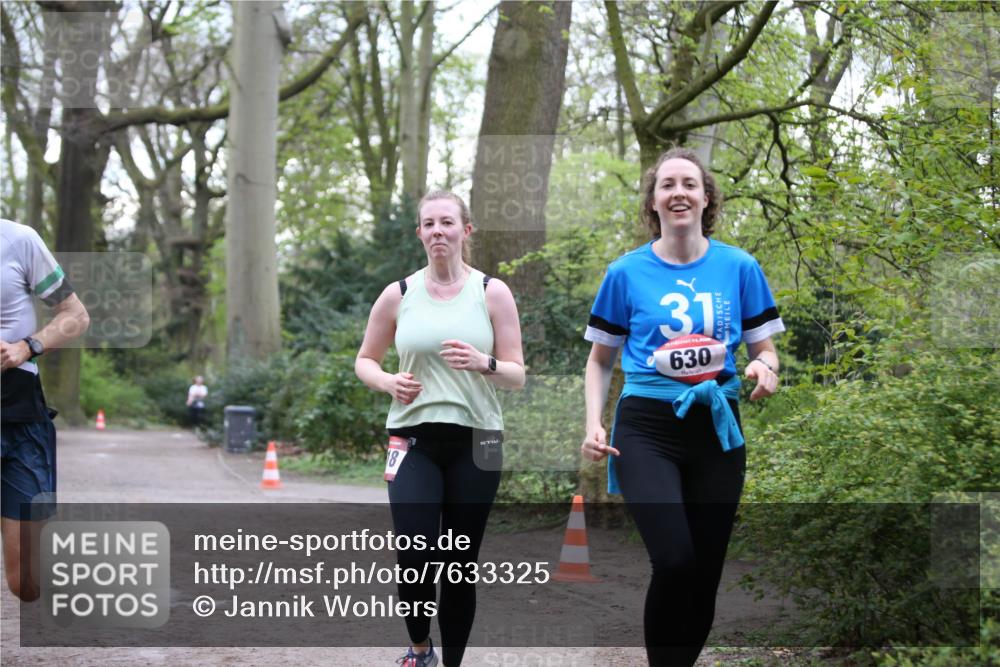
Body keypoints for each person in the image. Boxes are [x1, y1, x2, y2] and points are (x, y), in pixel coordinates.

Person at [580, 148, 784, 666]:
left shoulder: (739, 267)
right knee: (673, 559)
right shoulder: (625, 273)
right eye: (667, 185)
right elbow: (600, 360)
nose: (678, 193)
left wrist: (767, 370)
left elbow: (764, 348)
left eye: (689, 184)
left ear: (707, 197)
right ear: (653, 201)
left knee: (706, 569)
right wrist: (593, 422)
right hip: (647, 426)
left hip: (717, 427)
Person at [356, 190, 525, 667]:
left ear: (465, 231)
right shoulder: (400, 293)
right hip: (414, 439)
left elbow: (517, 374)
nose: (437, 231)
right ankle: (419, 649)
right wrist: (389, 381)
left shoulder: (492, 291)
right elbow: (365, 360)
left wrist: (484, 362)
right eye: (428, 224)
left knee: (459, 563)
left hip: (481, 439)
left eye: (447, 223)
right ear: (420, 234)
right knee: (414, 553)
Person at [1, 218, 90, 600]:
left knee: (26, 584)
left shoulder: (19, 241)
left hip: (18, 414)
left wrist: (25, 347)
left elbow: (76, 316)